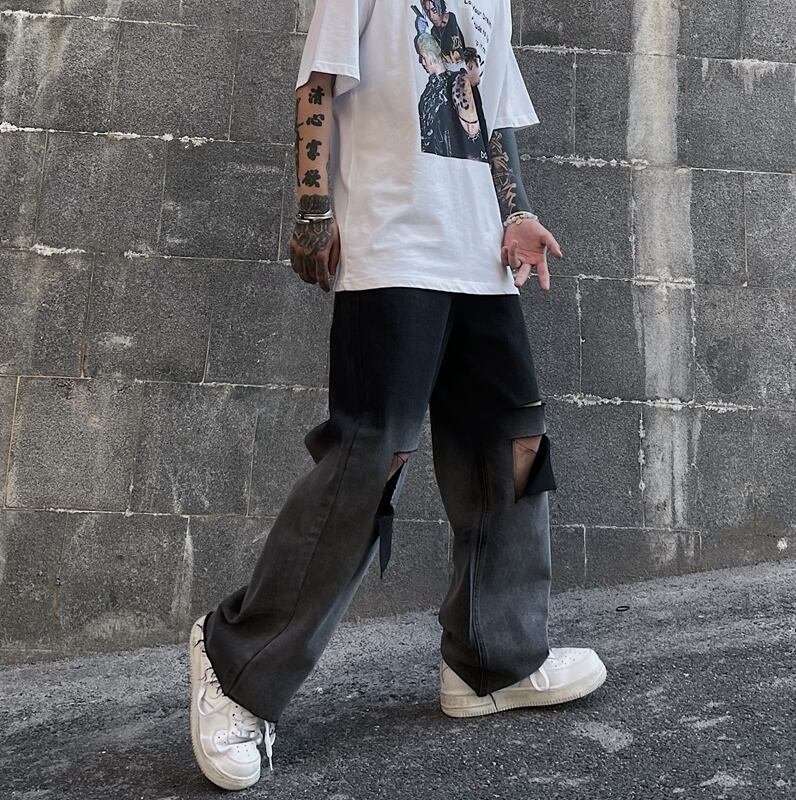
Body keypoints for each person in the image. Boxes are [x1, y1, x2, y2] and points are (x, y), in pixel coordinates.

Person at [188, 0, 607, 790]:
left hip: (480, 255)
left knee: (513, 443)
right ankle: (235, 664)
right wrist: (314, 207)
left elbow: (490, 111)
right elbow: (317, 84)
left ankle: (492, 662)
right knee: (372, 457)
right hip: (392, 246)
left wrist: (517, 210)